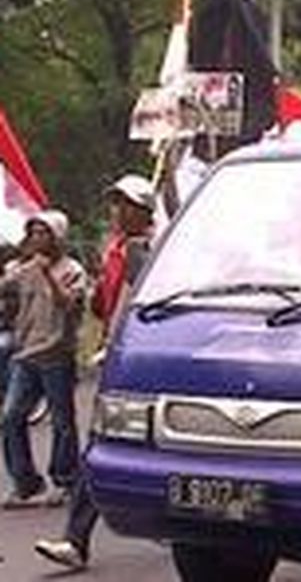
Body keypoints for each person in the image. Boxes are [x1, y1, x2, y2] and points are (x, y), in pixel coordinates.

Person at [34, 175, 157, 570]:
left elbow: (138, 303)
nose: (116, 211)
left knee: (106, 444)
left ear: (144, 210)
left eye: (125, 204)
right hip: (119, 354)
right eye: (115, 203)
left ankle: (78, 538)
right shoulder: (117, 249)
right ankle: (78, 538)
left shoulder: (151, 249)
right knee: (111, 444)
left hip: (140, 356)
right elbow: (104, 306)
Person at [0, 210, 88, 509]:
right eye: (34, 232)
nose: (38, 238)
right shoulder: (23, 268)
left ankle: (65, 479)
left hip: (57, 355)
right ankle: (25, 482)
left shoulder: (72, 270)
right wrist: (19, 263)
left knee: (62, 422)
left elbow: (68, 302)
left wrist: (47, 273)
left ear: (57, 236)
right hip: (25, 354)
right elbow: (5, 288)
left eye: (44, 233)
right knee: (11, 417)